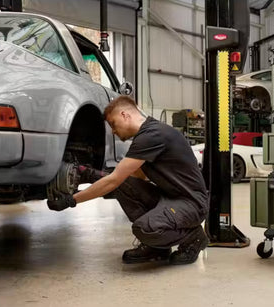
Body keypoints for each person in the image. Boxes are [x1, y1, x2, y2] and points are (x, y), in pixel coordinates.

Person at [47, 95, 209, 265]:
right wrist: (90, 173)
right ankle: (157, 248)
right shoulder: (148, 134)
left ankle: (193, 237)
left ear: (125, 115)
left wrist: (71, 200)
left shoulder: (152, 135)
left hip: (191, 204)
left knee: (144, 228)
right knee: (123, 185)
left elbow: (113, 180)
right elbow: (131, 177)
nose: (113, 132)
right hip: (170, 198)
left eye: (113, 124)